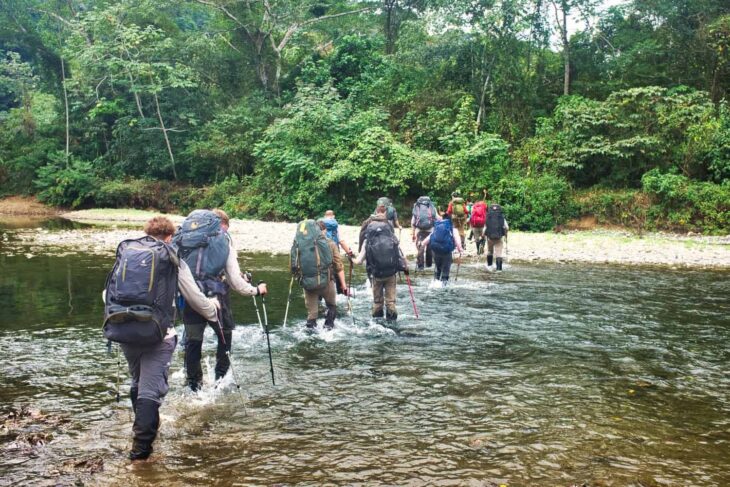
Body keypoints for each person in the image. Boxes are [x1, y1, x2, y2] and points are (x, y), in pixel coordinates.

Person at [102, 216, 221, 461]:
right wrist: (213, 309)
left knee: (138, 382)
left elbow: (107, 295)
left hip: (124, 330)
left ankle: (145, 432)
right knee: (150, 391)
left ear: (146, 231)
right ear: (170, 236)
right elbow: (195, 298)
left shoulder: (129, 253)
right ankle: (140, 455)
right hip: (159, 335)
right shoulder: (171, 257)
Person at [176, 209, 267, 392]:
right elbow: (235, 281)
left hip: (189, 297)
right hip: (217, 299)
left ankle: (194, 387)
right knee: (225, 337)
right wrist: (256, 290)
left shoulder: (186, 238)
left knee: (193, 341)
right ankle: (220, 381)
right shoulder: (223, 240)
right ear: (223, 224)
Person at [290, 219, 348, 330]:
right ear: (322, 230)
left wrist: (299, 278)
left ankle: (310, 335)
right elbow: (338, 266)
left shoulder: (299, 245)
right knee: (331, 306)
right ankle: (328, 328)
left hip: (308, 285)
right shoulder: (330, 243)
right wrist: (344, 286)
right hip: (327, 282)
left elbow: (293, 266)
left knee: (312, 313)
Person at [354, 203, 407, 321]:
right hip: (390, 274)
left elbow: (358, 261)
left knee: (377, 302)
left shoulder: (368, 240)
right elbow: (399, 256)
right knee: (391, 302)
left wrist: (351, 259)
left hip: (376, 274)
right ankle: (392, 323)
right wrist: (405, 267)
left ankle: (377, 323)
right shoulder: (392, 237)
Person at [421, 213, 463, 286]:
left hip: (436, 251)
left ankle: (435, 283)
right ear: (451, 220)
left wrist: (422, 244)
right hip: (447, 252)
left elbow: (429, 237)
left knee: (438, 268)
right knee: (446, 270)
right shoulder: (452, 229)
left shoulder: (437, 227)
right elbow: (457, 240)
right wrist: (460, 250)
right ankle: (444, 286)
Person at [411, 195, 440, 271]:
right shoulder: (432, 207)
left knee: (420, 247)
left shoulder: (417, 207)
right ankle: (429, 265)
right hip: (430, 230)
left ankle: (420, 266)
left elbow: (413, 222)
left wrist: (413, 233)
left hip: (419, 231)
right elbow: (438, 218)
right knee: (430, 248)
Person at [485, 203, 509, 271]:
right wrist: (505, 234)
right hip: (499, 238)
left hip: (489, 238)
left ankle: (489, 266)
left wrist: (484, 235)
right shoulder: (501, 217)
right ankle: (499, 270)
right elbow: (507, 227)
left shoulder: (488, 217)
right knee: (499, 253)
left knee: (490, 251)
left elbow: (485, 228)